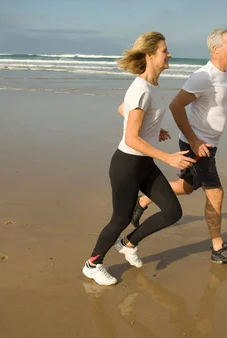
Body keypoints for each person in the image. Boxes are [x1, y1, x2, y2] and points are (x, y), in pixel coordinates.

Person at [131, 28, 227, 266]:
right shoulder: (202, 77)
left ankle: (144, 199)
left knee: (187, 187)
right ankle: (218, 248)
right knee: (216, 193)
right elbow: (177, 106)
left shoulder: (225, 75)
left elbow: (217, 107)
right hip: (197, 145)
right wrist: (195, 141)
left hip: (208, 145)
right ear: (215, 49)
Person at [82, 32, 196, 286]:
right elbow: (132, 138)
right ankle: (93, 264)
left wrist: (154, 129)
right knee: (120, 219)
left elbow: (123, 109)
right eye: (165, 50)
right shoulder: (141, 89)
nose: (169, 55)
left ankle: (128, 243)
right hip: (127, 165)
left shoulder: (150, 87)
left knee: (172, 211)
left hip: (143, 164)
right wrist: (167, 158)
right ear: (150, 55)